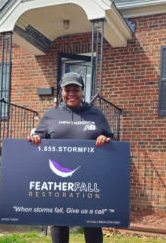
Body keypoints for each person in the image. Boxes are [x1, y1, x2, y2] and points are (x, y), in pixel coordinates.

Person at [28, 71, 114, 243]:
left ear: (83, 91)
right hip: (58, 178)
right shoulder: (50, 115)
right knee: (59, 222)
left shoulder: (97, 115)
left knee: (92, 221)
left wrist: (105, 140)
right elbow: (38, 142)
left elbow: (113, 143)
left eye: (76, 89)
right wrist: (35, 140)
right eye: (68, 89)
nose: (72, 93)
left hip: (90, 179)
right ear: (61, 91)